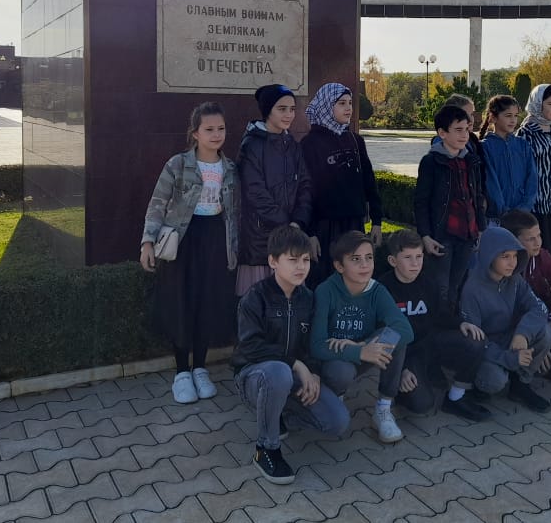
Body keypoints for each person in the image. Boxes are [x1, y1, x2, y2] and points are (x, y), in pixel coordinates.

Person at [232, 226, 350, 485]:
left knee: (338, 421)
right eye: (293, 259)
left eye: (305, 260)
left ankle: (279, 414)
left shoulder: (308, 299)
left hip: (292, 377)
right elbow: (250, 346)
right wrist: (296, 364)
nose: (301, 267)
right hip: (255, 377)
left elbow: (314, 343)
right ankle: (266, 448)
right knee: (279, 371)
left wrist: (313, 371)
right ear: (273, 261)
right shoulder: (255, 298)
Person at [140, 102, 239, 404]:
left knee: (207, 303)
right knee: (181, 302)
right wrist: (147, 242)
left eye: (221, 128)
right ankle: (182, 371)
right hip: (183, 241)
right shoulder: (178, 165)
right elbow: (158, 204)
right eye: (209, 129)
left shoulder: (230, 169)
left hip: (215, 240)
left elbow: (235, 213)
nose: (216, 134)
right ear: (195, 133)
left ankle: (200, 368)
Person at [310, 230, 414, 443]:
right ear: (340, 266)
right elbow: (316, 346)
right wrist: (358, 350)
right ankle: (335, 395)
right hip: (333, 361)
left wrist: (363, 346)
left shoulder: (377, 291)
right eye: (355, 259)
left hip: (364, 353)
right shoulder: (325, 291)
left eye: (369, 258)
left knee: (394, 337)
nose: (365, 265)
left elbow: (406, 330)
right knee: (341, 371)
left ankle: (383, 409)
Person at [378, 229, 492, 422]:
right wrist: (400, 370)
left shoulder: (428, 282)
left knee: (475, 339)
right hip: (406, 353)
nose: (415, 263)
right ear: (393, 261)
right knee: (422, 405)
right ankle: (401, 388)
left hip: (430, 342)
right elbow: (382, 337)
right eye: (408, 257)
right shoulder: (382, 289)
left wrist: (461, 323)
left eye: (419, 256)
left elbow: (441, 314)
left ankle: (456, 397)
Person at [459, 225, 551, 412]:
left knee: (547, 332)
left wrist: (523, 334)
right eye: (505, 256)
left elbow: (539, 308)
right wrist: (509, 358)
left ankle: (521, 383)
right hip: (486, 349)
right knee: (494, 380)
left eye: (515, 256)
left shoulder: (515, 278)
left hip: (511, 338)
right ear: (489, 256)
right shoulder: (472, 290)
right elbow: (474, 342)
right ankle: (478, 385)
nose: (512, 263)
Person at [300, 82, 383, 288]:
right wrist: (310, 233)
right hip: (325, 228)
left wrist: (377, 221)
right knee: (327, 282)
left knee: (354, 279)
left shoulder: (355, 140)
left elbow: (369, 181)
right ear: (327, 106)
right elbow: (307, 191)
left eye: (350, 103)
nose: (348, 108)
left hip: (353, 223)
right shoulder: (310, 144)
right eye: (341, 103)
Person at [236, 84, 312, 297]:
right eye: (282, 109)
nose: (289, 114)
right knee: (259, 301)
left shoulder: (293, 145)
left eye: (292, 109)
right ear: (268, 110)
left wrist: (298, 221)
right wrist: (285, 224)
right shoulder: (252, 145)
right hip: (261, 238)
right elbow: (254, 192)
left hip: (291, 234)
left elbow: (305, 185)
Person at [414, 104, 486, 306]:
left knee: (458, 284)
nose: (464, 135)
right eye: (458, 130)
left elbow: (477, 195)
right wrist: (425, 235)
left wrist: (480, 227)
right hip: (443, 234)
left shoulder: (470, 160)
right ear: (442, 133)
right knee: (441, 287)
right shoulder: (431, 161)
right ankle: (438, 321)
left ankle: (453, 320)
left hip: (467, 232)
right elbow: (421, 201)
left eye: (466, 129)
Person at [499, 210, 551, 387]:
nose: (538, 242)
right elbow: (509, 310)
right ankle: (520, 378)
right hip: (515, 325)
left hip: (538, 314)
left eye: (539, 236)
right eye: (530, 239)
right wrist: (541, 340)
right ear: (513, 241)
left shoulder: (541, 256)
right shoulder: (503, 266)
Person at [516, 84, 551, 272]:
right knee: (539, 247)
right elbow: (521, 170)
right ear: (538, 103)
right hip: (534, 202)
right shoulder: (525, 133)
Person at [478, 94, 538, 224]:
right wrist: (504, 211)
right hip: (497, 217)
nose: (513, 120)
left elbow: (532, 178)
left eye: (516, 116)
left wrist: (525, 207)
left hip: (522, 215)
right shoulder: (485, 147)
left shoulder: (522, 145)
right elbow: (490, 183)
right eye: (508, 115)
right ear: (493, 117)